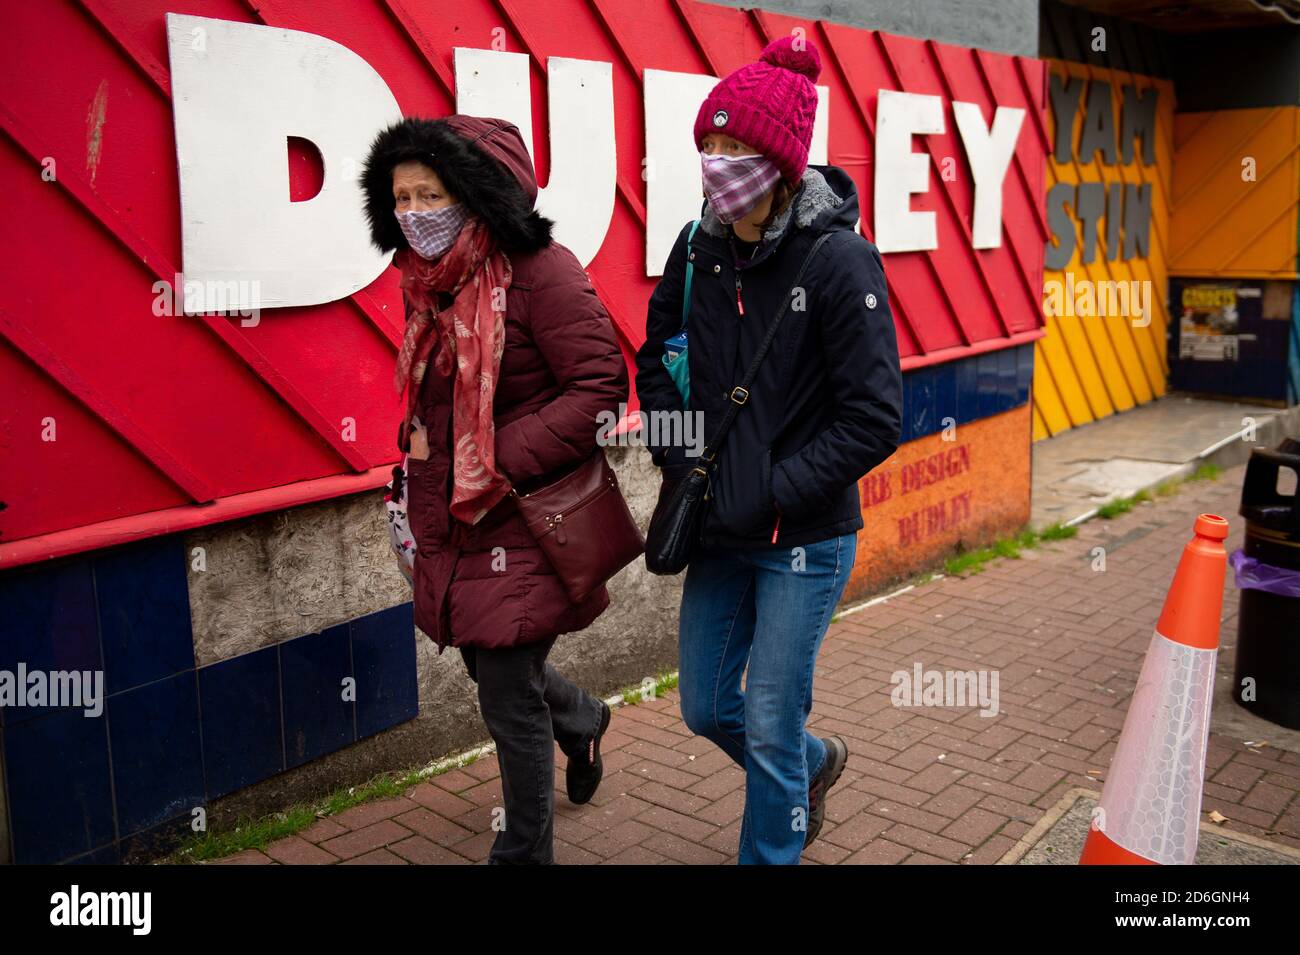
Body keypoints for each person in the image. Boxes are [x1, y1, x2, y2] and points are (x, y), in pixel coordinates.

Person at [634, 36, 903, 864]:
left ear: (781, 161)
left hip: (803, 538)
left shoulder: (838, 261)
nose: (717, 165)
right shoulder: (696, 247)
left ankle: (778, 817)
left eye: (735, 148)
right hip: (717, 527)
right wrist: (684, 463)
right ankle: (815, 765)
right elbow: (656, 365)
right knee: (709, 708)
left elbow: (874, 416)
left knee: (771, 721)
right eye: (707, 147)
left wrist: (776, 487)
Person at [363, 115, 627, 864]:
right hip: (455, 516)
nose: (415, 212)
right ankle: (581, 719)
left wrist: (496, 452)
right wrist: (418, 456)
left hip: (526, 515)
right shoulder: (430, 282)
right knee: (487, 657)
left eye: (431, 194)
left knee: (505, 692)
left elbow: (603, 387)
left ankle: (523, 853)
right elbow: (438, 399)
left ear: (478, 194)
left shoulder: (542, 272)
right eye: (402, 197)